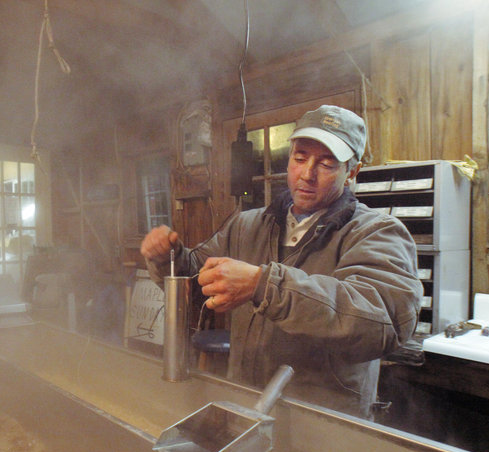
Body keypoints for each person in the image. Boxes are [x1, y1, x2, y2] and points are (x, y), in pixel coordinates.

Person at [141, 105, 422, 419]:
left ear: (351, 172)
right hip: (247, 403)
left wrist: (266, 285)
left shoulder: (375, 232)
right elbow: (196, 283)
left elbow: (382, 322)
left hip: (324, 422)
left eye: (326, 163)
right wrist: (169, 257)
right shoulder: (246, 225)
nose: (307, 174)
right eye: (300, 158)